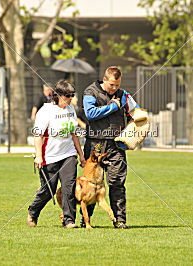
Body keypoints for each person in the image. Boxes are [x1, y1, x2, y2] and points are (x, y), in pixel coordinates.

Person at [82, 66, 141, 229]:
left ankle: (119, 220)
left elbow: (136, 113)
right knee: (90, 184)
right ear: (105, 79)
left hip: (116, 144)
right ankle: (85, 219)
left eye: (117, 85)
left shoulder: (124, 95)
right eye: (112, 85)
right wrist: (114, 106)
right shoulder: (90, 92)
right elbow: (90, 113)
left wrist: (135, 126)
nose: (115, 88)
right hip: (96, 144)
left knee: (117, 182)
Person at [27, 80, 86, 228]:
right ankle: (33, 211)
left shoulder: (71, 109)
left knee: (69, 188)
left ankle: (69, 220)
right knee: (48, 190)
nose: (71, 98)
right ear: (58, 95)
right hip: (49, 156)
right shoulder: (46, 111)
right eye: (68, 96)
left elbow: (74, 134)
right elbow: (38, 135)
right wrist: (39, 156)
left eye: (72, 95)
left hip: (68, 154)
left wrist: (81, 155)